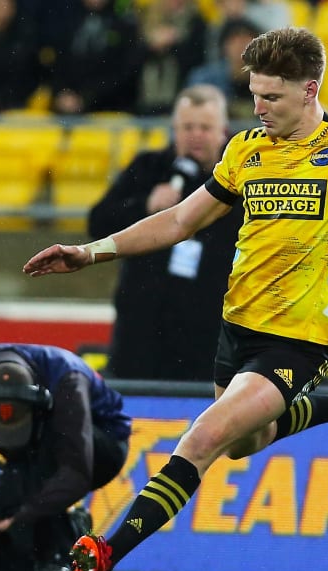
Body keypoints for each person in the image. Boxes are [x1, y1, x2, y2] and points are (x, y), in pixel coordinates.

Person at [23, 26, 328, 571]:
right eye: (254, 94)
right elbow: (180, 220)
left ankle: (106, 550)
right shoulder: (245, 149)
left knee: (202, 438)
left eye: (272, 97)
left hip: (296, 340)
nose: (259, 107)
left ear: (311, 89)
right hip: (237, 330)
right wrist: (90, 252)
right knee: (242, 444)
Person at [89, 85, 244, 381]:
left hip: (210, 331)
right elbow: (98, 222)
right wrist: (144, 204)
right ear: (174, 129)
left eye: (205, 127)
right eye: (187, 127)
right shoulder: (148, 167)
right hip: (142, 327)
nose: (195, 134)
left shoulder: (241, 179)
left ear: (223, 131)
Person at [0, 343, 132, 571]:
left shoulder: (67, 381)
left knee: (32, 492)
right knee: (3, 500)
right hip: (42, 443)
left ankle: (60, 552)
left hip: (102, 445)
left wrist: (22, 517)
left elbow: (75, 474)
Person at [48, 0, 142, 115]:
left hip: (110, 110)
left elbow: (125, 72)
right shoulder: (67, 19)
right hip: (66, 107)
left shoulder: (124, 23)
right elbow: (57, 65)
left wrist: (85, 98)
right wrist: (61, 93)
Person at [185, 18, 262, 120]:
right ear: (224, 47)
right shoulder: (205, 80)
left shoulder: (270, 79)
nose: (241, 46)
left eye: (246, 40)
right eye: (234, 40)